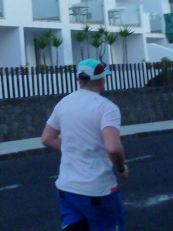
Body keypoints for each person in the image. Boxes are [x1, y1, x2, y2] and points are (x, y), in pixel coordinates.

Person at [41, 59, 128, 230]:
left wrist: (73, 149)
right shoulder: (106, 108)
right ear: (102, 80)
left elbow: (47, 138)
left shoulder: (64, 103)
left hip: (67, 188)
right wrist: (121, 169)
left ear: (78, 79)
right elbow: (113, 148)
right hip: (98, 190)